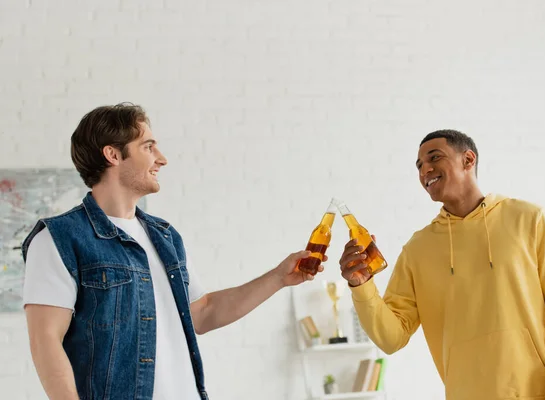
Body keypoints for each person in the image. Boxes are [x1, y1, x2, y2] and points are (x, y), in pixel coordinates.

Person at [21, 103, 324, 400]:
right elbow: (45, 341)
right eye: (148, 147)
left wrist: (278, 278)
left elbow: (202, 313)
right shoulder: (58, 239)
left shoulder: (164, 236)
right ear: (113, 154)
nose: (162, 159)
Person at [339, 130, 545, 400]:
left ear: (468, 160)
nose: (424, 170)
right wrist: (361, 286)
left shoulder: (529, 219)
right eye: (419, 166)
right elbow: (391, 338)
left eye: (434, 158)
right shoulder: (417, 250)